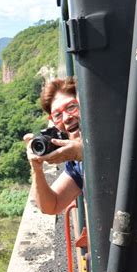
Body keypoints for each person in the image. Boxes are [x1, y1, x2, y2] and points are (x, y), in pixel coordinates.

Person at [23, 77, 83, 215]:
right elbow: (51, 206)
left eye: (71, 107)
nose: (66, 118)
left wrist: (82, 153)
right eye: (57, 115)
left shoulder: (114, 133)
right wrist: (36, 169)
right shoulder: (76, 165)